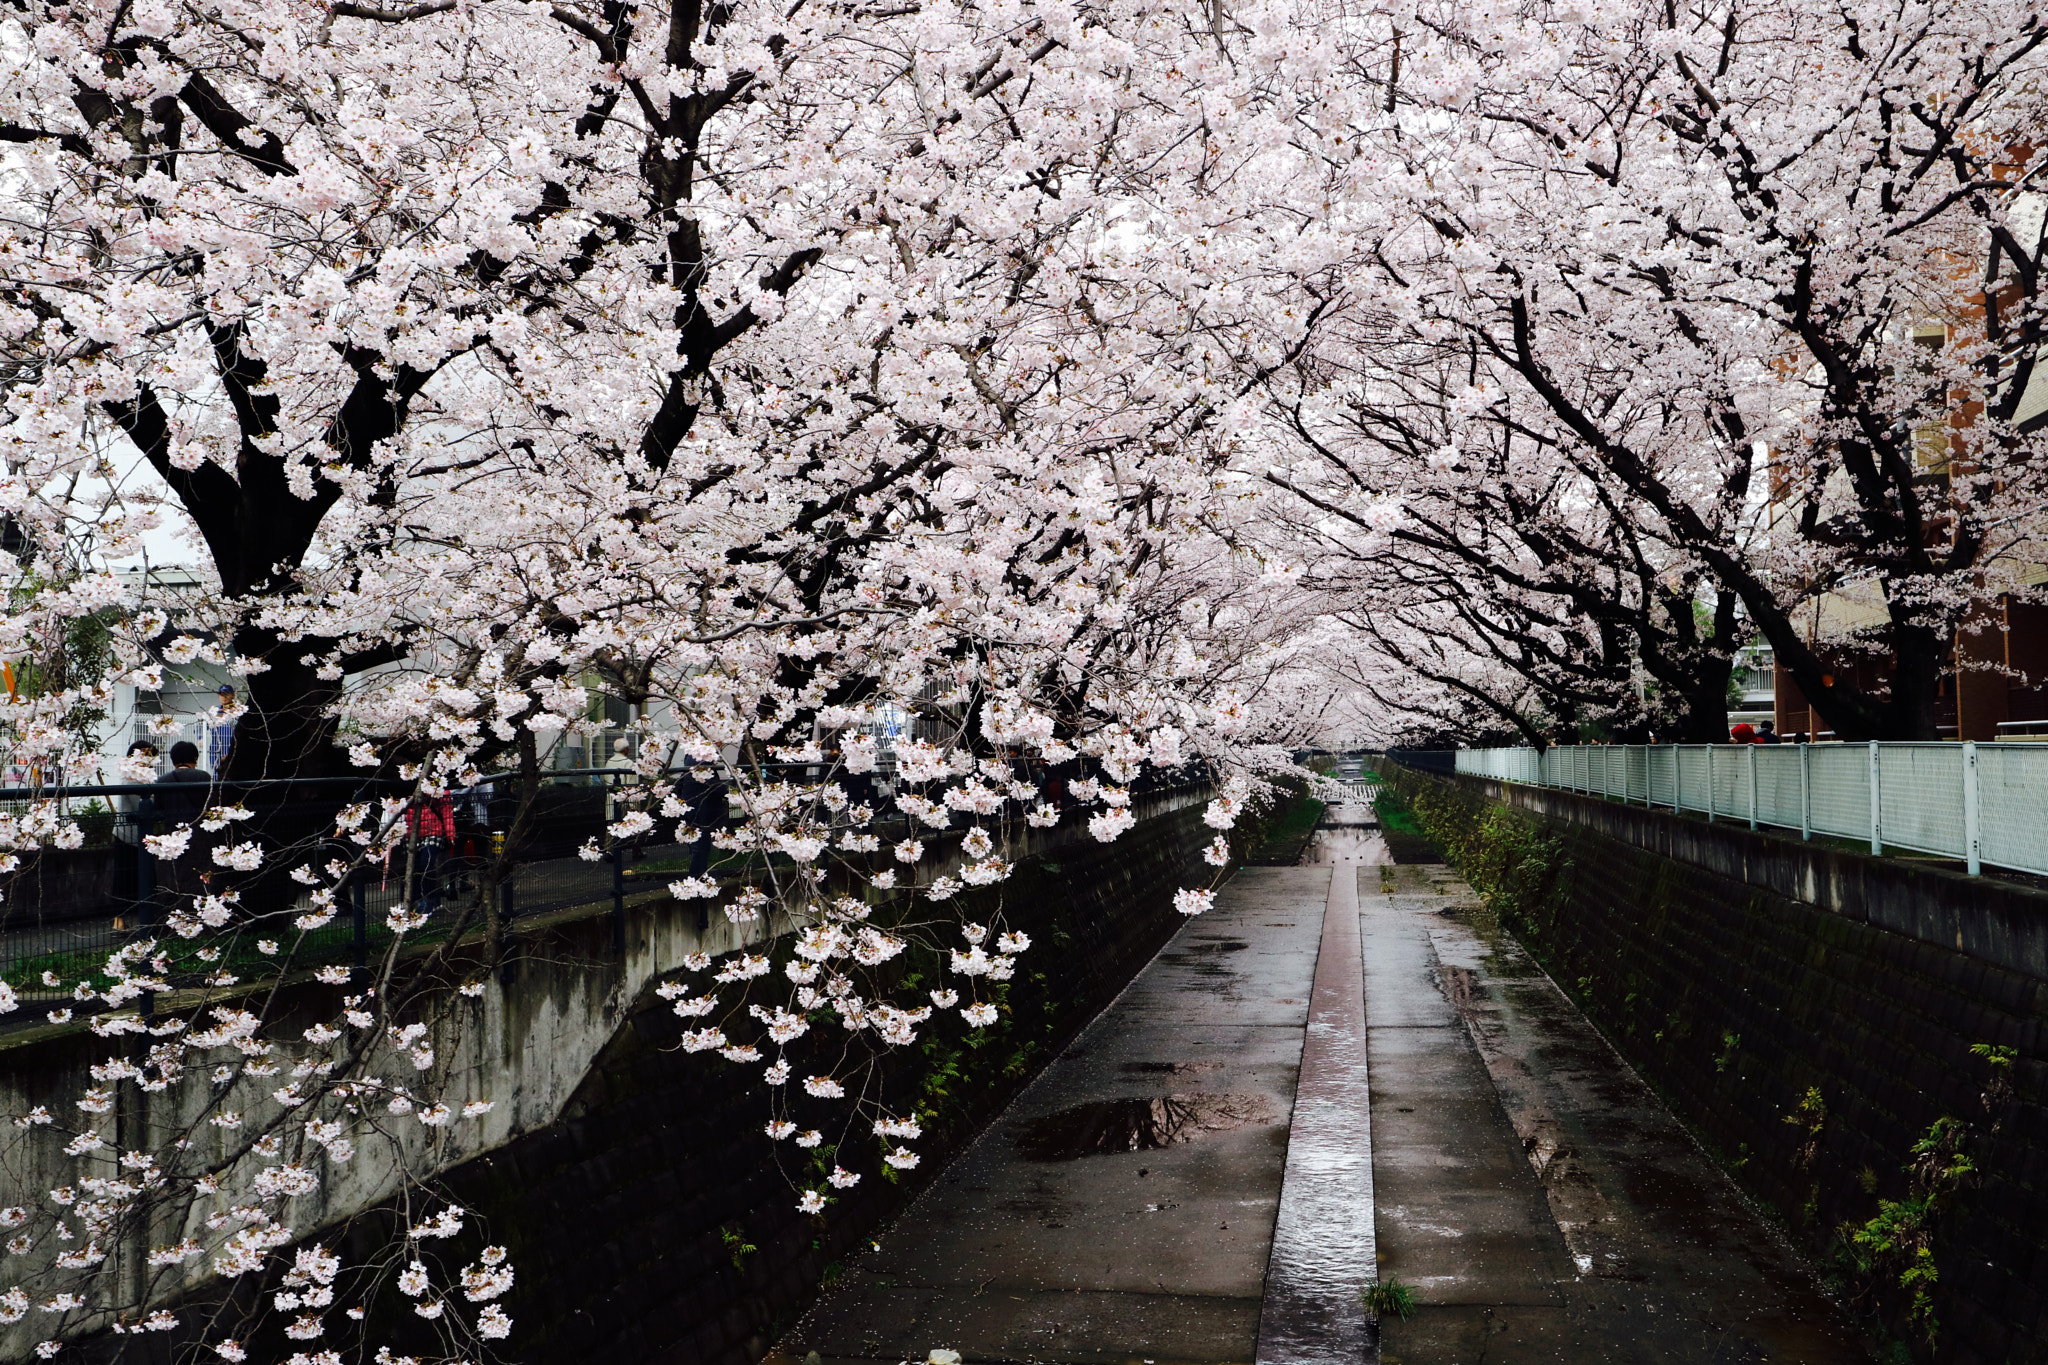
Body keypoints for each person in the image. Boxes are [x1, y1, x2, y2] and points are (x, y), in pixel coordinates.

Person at [404, 792, 458, 913]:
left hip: (433, 829)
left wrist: (449, 832)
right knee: (413, 868)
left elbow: (445, 809)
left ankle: (430, 900)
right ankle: (413, 901)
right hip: (411, 831)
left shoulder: (437, 785)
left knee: (427, 864)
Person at [153, 740, 212, 825]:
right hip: (199, 827)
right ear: (195, 758)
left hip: (171, 829)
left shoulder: (162, 780)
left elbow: (158, 809)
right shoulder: (204, 777)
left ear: (173, 760)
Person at [114, 740, 158, 844]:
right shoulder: (132, 779)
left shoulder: (137, 776)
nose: (152, 766)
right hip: (128, 837)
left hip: (132, 834)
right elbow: (142, 807)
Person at [204, 685, 240, 773]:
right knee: (216, 774)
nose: (224, 697)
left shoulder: (238, 712)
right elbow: (201, 725)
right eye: (221, 694)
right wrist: (201, 737)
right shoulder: (214, 712)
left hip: (232, 749)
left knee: (232, 774)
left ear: (233, 695)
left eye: (227, 694)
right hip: (216, 750)